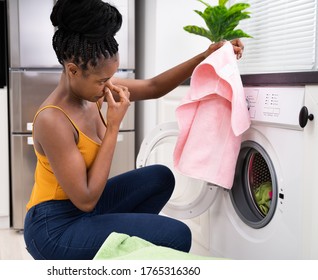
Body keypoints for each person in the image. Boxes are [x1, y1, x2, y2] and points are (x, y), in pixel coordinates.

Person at [23, 0, 244, 260]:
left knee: (160, 178)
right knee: (177, 235)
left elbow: (152, 87)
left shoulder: (90, 91)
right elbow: (86, 199)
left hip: (82, 210)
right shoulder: (53, 119)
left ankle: (122, 252)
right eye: (103, 81)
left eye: (110, 78)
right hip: (54, 228)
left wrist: (204, 56)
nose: (108, 87)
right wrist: (114, 125)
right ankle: (118, 250)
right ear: (73, 70)